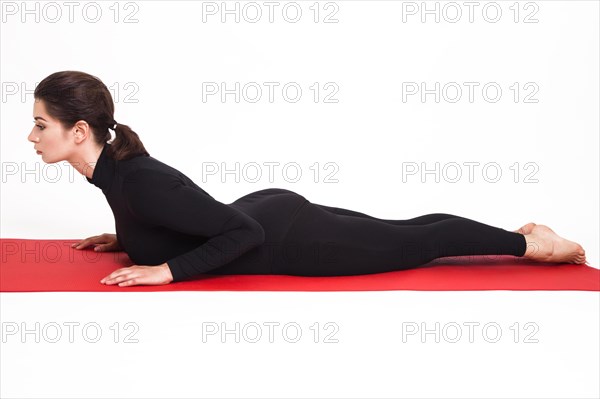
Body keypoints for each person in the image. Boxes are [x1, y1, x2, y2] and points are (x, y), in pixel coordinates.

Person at [27, 71, 587, 287]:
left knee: (422, 241)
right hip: (273, 211)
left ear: (80, 130)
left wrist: (167, 272)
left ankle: (534, 244)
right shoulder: (115, 174)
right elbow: (168, 212)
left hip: (291, 238)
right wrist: (127, 239)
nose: (31, 137)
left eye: (39, 124)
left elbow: (238, 234)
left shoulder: (139, 178)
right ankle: (519, 234)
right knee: (408, 230)